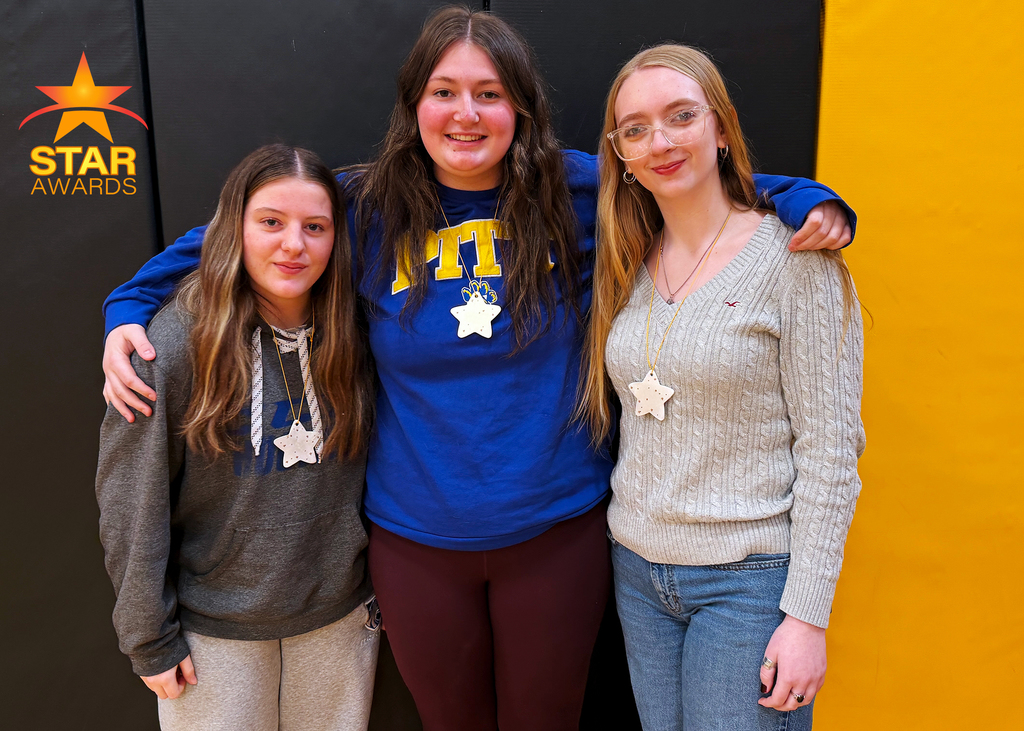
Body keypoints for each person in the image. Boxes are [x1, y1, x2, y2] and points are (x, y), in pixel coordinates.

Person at [98, 7, 855, 730]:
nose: (467, 113)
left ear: (520, 108)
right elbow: (246, 226)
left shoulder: (580, 190)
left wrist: (801, 197)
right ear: (414, 104)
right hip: (416, 538)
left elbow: (690, 182)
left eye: (489, 94)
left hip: (557, 530)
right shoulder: (365, 204)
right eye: (445, 92)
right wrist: (127, 305)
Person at [580, 44, 864, 730]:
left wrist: (806, 617)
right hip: (640, 575)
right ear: (619, 153)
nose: (661, 141)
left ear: (721, 127)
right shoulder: (628, 259)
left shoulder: (796, 259)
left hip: (748, 580)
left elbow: (830, 449)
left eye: (681, 116)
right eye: (636, 129)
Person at [95, 144, 379, 731]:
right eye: (271, 222)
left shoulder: (360, 332)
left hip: (338, 620)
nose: (293, 245)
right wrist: (148, 636)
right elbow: (132, 500)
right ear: (234, 228)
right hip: (210, 635)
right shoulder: (170, 343)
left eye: (315, 227)